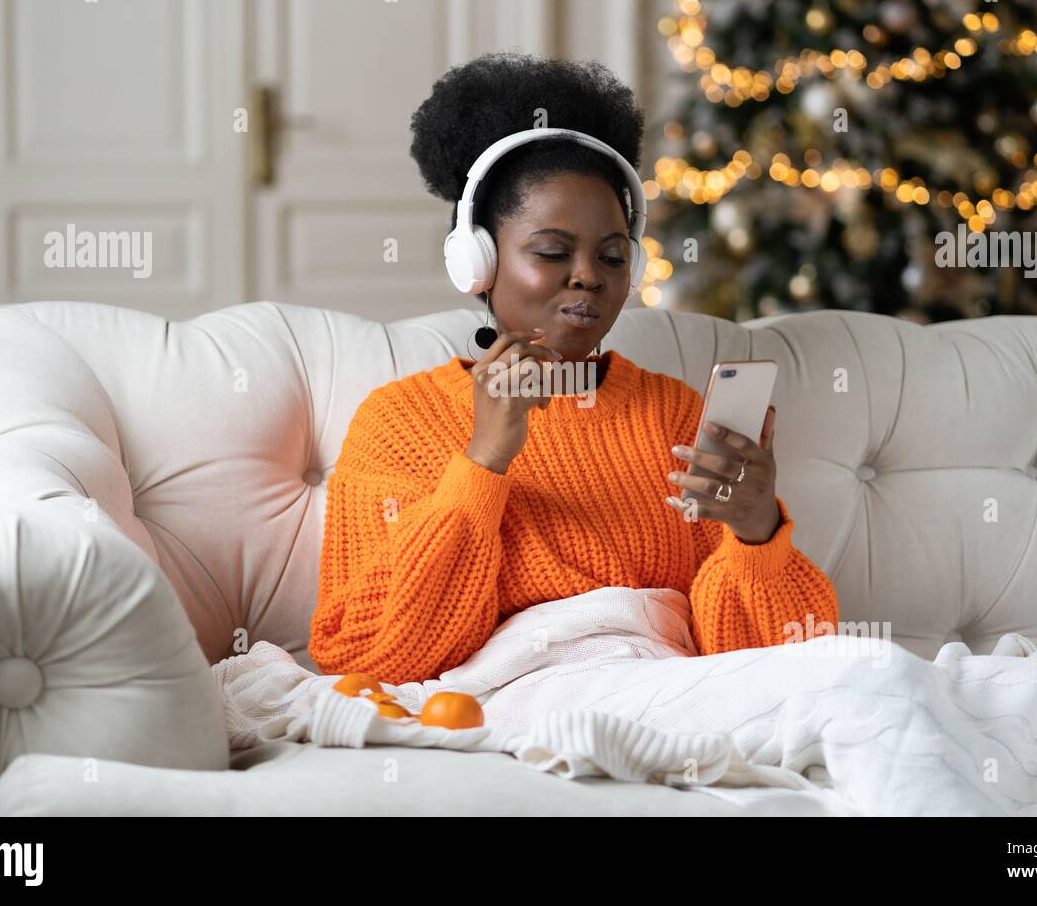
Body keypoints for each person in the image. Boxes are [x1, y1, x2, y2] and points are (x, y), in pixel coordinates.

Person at [309, 52, 838, 684]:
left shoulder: (676, 415)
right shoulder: (399, 422)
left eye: (613, 257)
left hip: (669, 700)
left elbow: (773, 665)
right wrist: (484, 461)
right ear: (477, 262)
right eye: (553, 251)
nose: (588, 274)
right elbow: (369, 657)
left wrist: (755, 533)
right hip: (511, 709)